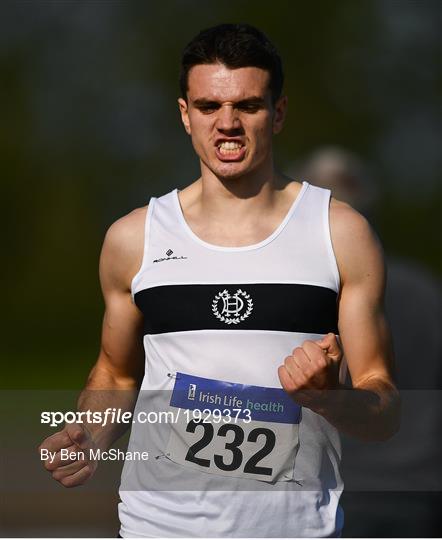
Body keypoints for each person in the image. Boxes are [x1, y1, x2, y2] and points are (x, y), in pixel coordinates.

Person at [39, 24, 400, 538]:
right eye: (209, 106)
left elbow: (383, 408)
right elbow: (116, 375)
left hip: (296, 530)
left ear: (277, 113)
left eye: (247, 106)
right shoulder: (133, 237)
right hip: (157, 527)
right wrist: (91, 435)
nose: (227, 124)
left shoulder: (339, 232)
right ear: (185, 114)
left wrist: (329, 398)